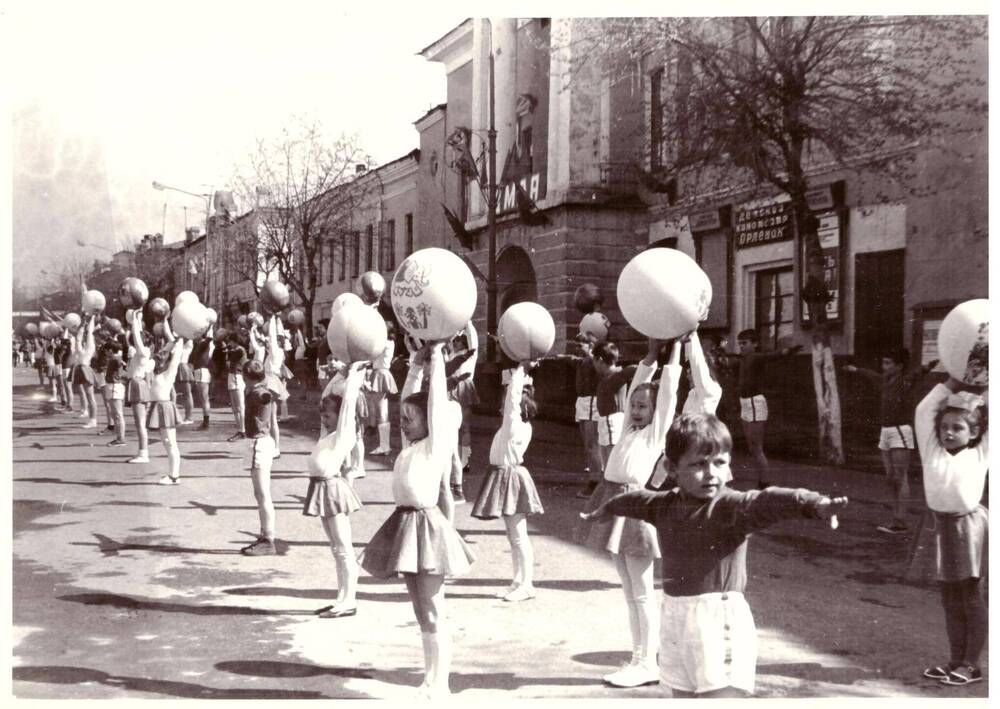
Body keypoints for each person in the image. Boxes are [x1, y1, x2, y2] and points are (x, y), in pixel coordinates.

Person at [582, 412, 847, 697]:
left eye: (719, 463)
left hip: (719, 621)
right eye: (698, 464)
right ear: (671, 468)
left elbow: (769, 500)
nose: (711, 473)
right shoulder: (664, 505)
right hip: (674, 618)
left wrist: (814, 504)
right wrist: (606, 510)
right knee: (681, 694)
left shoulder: (731, 507)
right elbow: (634, 500)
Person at [359, 342, 474, 698]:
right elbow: (410, 396)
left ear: (429, 421)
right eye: (403, 419)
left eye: (411, 419)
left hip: (427, 529)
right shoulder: (410, 446)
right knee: (421, 611)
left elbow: (435, 401)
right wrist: (415, 365)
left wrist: (437, 359)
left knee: (433, 610)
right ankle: (429, 679)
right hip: (405, 525)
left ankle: (442, 685)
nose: (404, 423)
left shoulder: (435, 444)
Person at [579, 337, 681, 688]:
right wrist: (650, 356)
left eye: (643, 407)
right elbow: (640, 383)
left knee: (641, 592)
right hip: (615, 501)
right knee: (628, 589)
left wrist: (675, 352)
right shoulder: (627, 430)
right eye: (634, 404)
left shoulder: (654, 436)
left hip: (636, 508)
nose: (636, 409)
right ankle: (639, 656)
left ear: (655, 415)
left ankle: (647, 662)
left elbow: (666, 395)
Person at [908, 377, 988, 687]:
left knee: (970, 596)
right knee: (949, 600)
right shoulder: (931, 450)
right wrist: (953, 380)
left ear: (976, 432)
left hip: (969, 528)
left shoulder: (981, 453)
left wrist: (985, 387)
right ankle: (955, 660)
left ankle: (972, 664)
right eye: (945, 427)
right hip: (939, 526)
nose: (949, 433)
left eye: (958, 428)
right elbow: (924, 409)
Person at [471, 360, 543, 601]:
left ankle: (527, 584)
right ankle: (518, 580)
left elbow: (512, 398)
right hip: (506, 475)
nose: (502, 407)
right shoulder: (519, 426)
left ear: (518, 409)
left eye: (507, 405)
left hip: (510, 477)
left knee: (518, 534)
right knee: (514, 535)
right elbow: (513, 398)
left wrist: (521, 369)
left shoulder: (515, 426)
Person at [843, 349, 931, 534]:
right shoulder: (883, 380)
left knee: (900, 477)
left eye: (888, 363)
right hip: (885, 432)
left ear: (899, 367)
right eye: (883, 363)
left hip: (900, 431)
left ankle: (901, 521)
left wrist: (929, 365)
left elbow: (918, 373)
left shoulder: (904, 381)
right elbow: (870, 374)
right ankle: (895, 518)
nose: (884, 367)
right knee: (891, 477)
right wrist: (855, 369)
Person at [305, 362, 367, 618]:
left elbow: (349, 402)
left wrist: (353, 375)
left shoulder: (344, 433)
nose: (324, 419)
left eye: (328, 416)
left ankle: (349, 600)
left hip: (332, 489)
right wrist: (339, 374)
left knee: (344, 548)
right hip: (321, 489)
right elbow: (327, 396)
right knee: (336, 548)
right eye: (322, 415)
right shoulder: (328, 434)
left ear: (340, 417)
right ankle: (341, 597)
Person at [733, 329, 801, 488]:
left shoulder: (756, 357)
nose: (741, 346)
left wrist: (787, 351)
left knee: (757, 449)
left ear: (755, 344)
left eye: (745, 343)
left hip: (755, 403)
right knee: (752, 448)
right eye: (740, 343)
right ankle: (762, 482)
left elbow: (774, 355)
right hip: (745, 404)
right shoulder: (743, 359)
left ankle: (765, 485)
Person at [241, 359, 279, 556]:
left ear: (246, 376)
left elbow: (265, 397)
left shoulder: (260, 392)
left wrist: (266, 394)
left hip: (259, 443)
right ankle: (265, 535)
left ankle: (268, 539)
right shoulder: (256, 389)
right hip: (261, 443)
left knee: (263, 494)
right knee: (260, 494)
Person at [149, 338, 189, 485]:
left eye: (163, 358)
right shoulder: (154, 371)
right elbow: (162, 352)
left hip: (165, 408)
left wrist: (180, 341)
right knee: (167, 443)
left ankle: (174, 476)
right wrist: (172, 340)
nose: (160, 358)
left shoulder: (168, 374)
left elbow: (176, 357)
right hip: (158, 407)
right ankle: (173, 475)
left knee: (170, 442)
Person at [447, 322, 479, 502]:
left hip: (464, 387)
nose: (456, 342)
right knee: (452, 427)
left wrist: (468, 322)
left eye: (460, 340)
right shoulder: (452, 354)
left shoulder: (471, 355)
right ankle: (453, 458)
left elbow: (473, 339)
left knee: (465, 426)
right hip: (451, 387)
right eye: (455, 340)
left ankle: (465, 459)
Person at [124, 311, 153, 464]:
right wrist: (138, 317)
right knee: (140, 422)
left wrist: (135, 320)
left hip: (138, 384)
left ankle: (143, 453)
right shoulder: (145, 352)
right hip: (140, 383)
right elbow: (137, 334)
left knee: (140, 423)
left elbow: (136, 334)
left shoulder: (142, 352)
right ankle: (142, 452)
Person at [365, 320, 398, 456]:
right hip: (378, 373)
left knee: (382, 411)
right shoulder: (388, 342)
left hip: (381, 373)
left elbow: (372, 352)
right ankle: (384, 445)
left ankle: (385, 446)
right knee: (379, 410)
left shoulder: (385, 343)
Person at [73, 316, 100, 429]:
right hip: (80, 369)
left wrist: (92, 318)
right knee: (86, 395)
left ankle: (93, 420)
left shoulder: (90, 347)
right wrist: (83, 325)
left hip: (86, 369)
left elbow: (89, 333)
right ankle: (89, 415)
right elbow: (78, 338)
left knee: (90, 396)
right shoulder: (81, 348)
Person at [224, 331, 249, 442]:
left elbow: (230, 360)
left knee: (240, 406)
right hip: (232, 376)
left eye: (230, 340)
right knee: (234, 407)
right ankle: (239, 429)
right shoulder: (234, 350)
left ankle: (242, 430)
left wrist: (227, 350)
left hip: (237, 376)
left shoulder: (240, 350)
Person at [103, 340, 128, 447]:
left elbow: (121, 364)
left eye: (106, 351)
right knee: (115, 414)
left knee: (118, 414)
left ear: (110, 350)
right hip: (113, 386)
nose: (105, 353)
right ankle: (118, 437)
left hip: (114, 386)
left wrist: (122, 364)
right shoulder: (115, 358)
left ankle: (121, 439)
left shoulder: (115, 359)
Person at [190, 329, 215, 430]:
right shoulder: (197, 345)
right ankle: (205, 422)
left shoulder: (204, 343)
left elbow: (210, 337)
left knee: (204, 398)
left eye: (196, 334)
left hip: (202, 371)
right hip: (198, 371)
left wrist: (209, 325)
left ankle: (206, 423)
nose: (194, 336)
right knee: (202, 398)